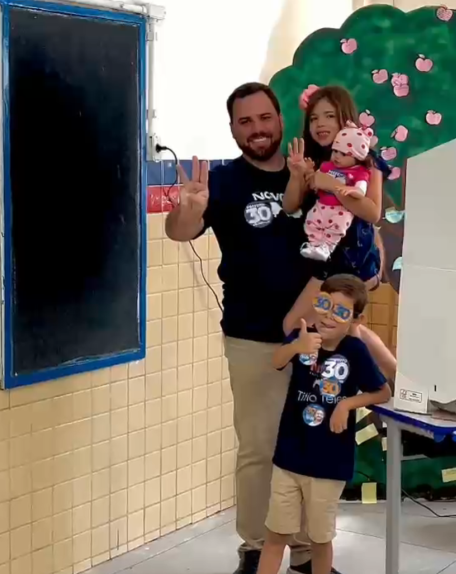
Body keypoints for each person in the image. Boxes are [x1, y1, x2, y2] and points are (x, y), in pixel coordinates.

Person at [164, 82, 387, 574]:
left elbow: (363, 223)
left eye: (264, 118)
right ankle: (255, 548)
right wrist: (190, 209)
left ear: (281, 120)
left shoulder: (317, 171)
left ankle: (308, 554)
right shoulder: (221, 182)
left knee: (313, 444)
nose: (257, 129)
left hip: (322, 340)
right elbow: (179, 232)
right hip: (251, 334)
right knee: (260, 447)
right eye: (245, 122)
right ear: (233, 129)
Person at [257, 275, 391, 574]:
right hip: (288, 457)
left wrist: (346, 404)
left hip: (329, 463)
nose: (330, 316)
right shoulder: (303, 335)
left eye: (341, 312)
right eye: (324, 305)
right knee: (276, 534)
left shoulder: (355, 351)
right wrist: (297, 347)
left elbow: (383, 392)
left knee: (320, 538)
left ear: (356, 319)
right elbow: (277, 361)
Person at [281, 86, 396, 379]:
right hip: (326, 261)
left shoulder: (368, 161)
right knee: (349, 330)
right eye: (313, 118)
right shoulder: (315, 161)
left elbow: (372, 212)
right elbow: (290, 205)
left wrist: (331, 184)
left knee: (295, 324)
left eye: (329, 116)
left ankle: (385, 383)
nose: (320, 124)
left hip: (353, 263)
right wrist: (299, 175)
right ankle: (394, 383)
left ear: (345, 118)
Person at [298, 123, 377, 262]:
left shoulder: (359, 172)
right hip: (322, 205)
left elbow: (360, 191)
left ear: (357, 157)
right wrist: (309, 172)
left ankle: (326, 248)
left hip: (340, 210)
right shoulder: (327, 166)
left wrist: (350, 190)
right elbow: (315, 181)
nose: (337, 157)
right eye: (335, 151)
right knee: (311, 220)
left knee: (336, 226)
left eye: (344, 154)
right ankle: (314, 245)